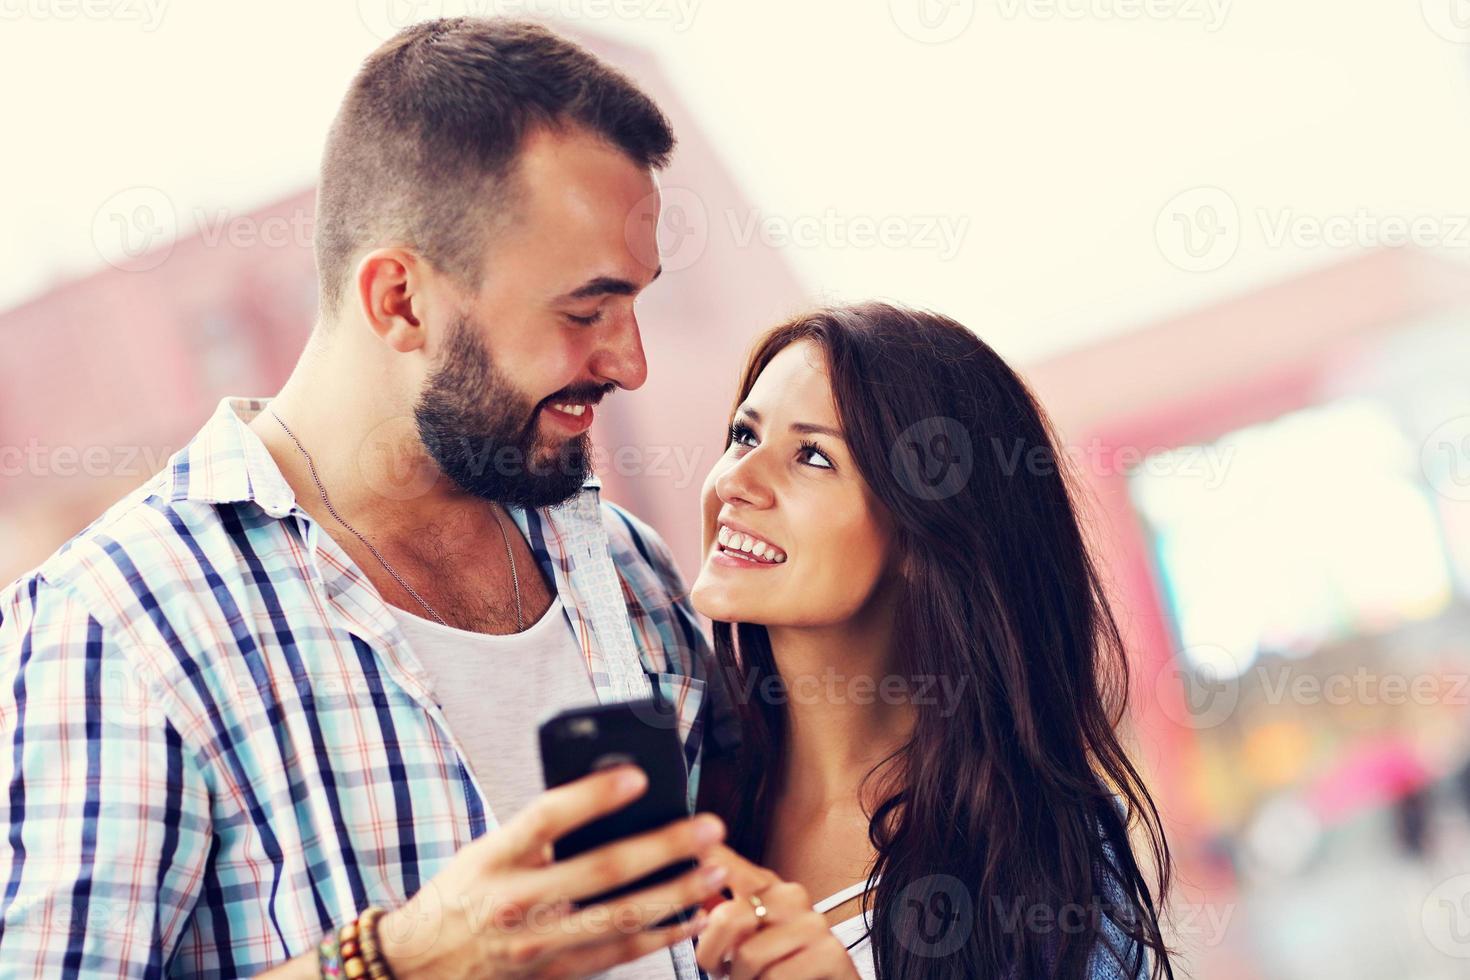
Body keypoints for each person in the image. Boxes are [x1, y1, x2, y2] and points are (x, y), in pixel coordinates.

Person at [0, 18, 738, 979]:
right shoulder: (121, 618)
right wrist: (403, 960)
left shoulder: (624, 561)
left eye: (636, 304)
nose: (628, 363)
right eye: (584, 312)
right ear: (399, 299)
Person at [687, 303, 1176, 979]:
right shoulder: (688, 779)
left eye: (811, 455)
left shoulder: (1045, 860)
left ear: (922, 532)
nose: (735, 481)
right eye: (745, 435)